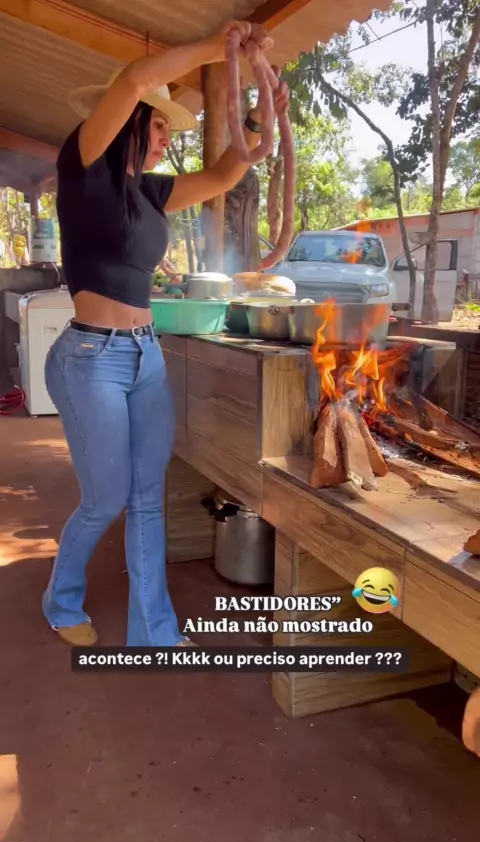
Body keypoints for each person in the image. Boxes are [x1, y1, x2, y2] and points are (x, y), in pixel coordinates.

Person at [42, 19, 290, 648]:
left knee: (148, 497)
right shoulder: (84, 164)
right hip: (88, 358)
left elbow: (225, 175)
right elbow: (133, 79)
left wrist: (258, 117)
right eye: (157, 126)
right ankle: (60, 600)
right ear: (130, 120)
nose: (163, 140)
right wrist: (219, 48)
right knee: (105, 499)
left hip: (145, 357)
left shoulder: (149, 193)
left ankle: (154, 631)